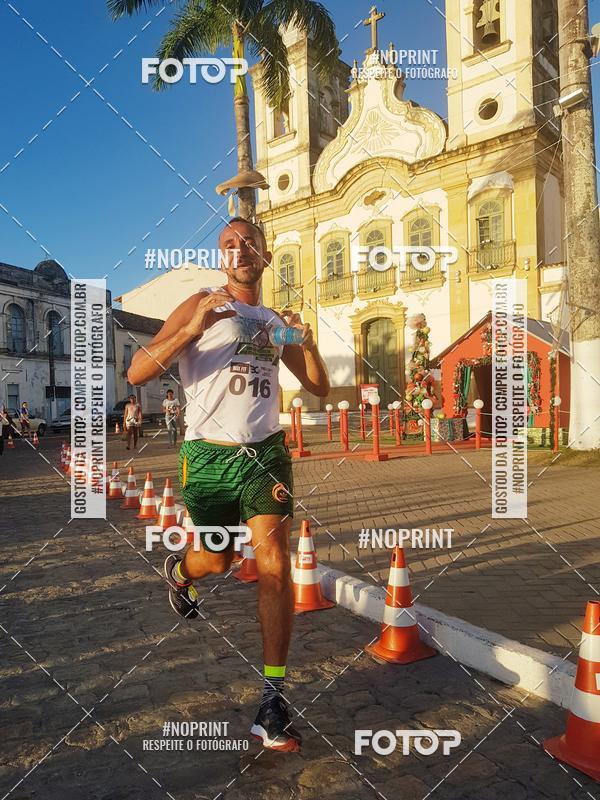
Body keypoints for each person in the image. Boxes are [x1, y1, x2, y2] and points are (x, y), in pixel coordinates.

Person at [127, 217, 330, 752]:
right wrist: (190, 330)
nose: (240, 251)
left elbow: (319, 387)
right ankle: (181, 570)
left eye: (249, 243)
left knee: (275, 565)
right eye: (229, 245)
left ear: (265, 255)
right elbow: (137, 371)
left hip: (266, 455)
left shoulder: (274, 322)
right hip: (209, 458)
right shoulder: (201, 303)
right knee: (217, 560)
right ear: (222, 258)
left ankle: (272, 701)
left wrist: (308, 345)